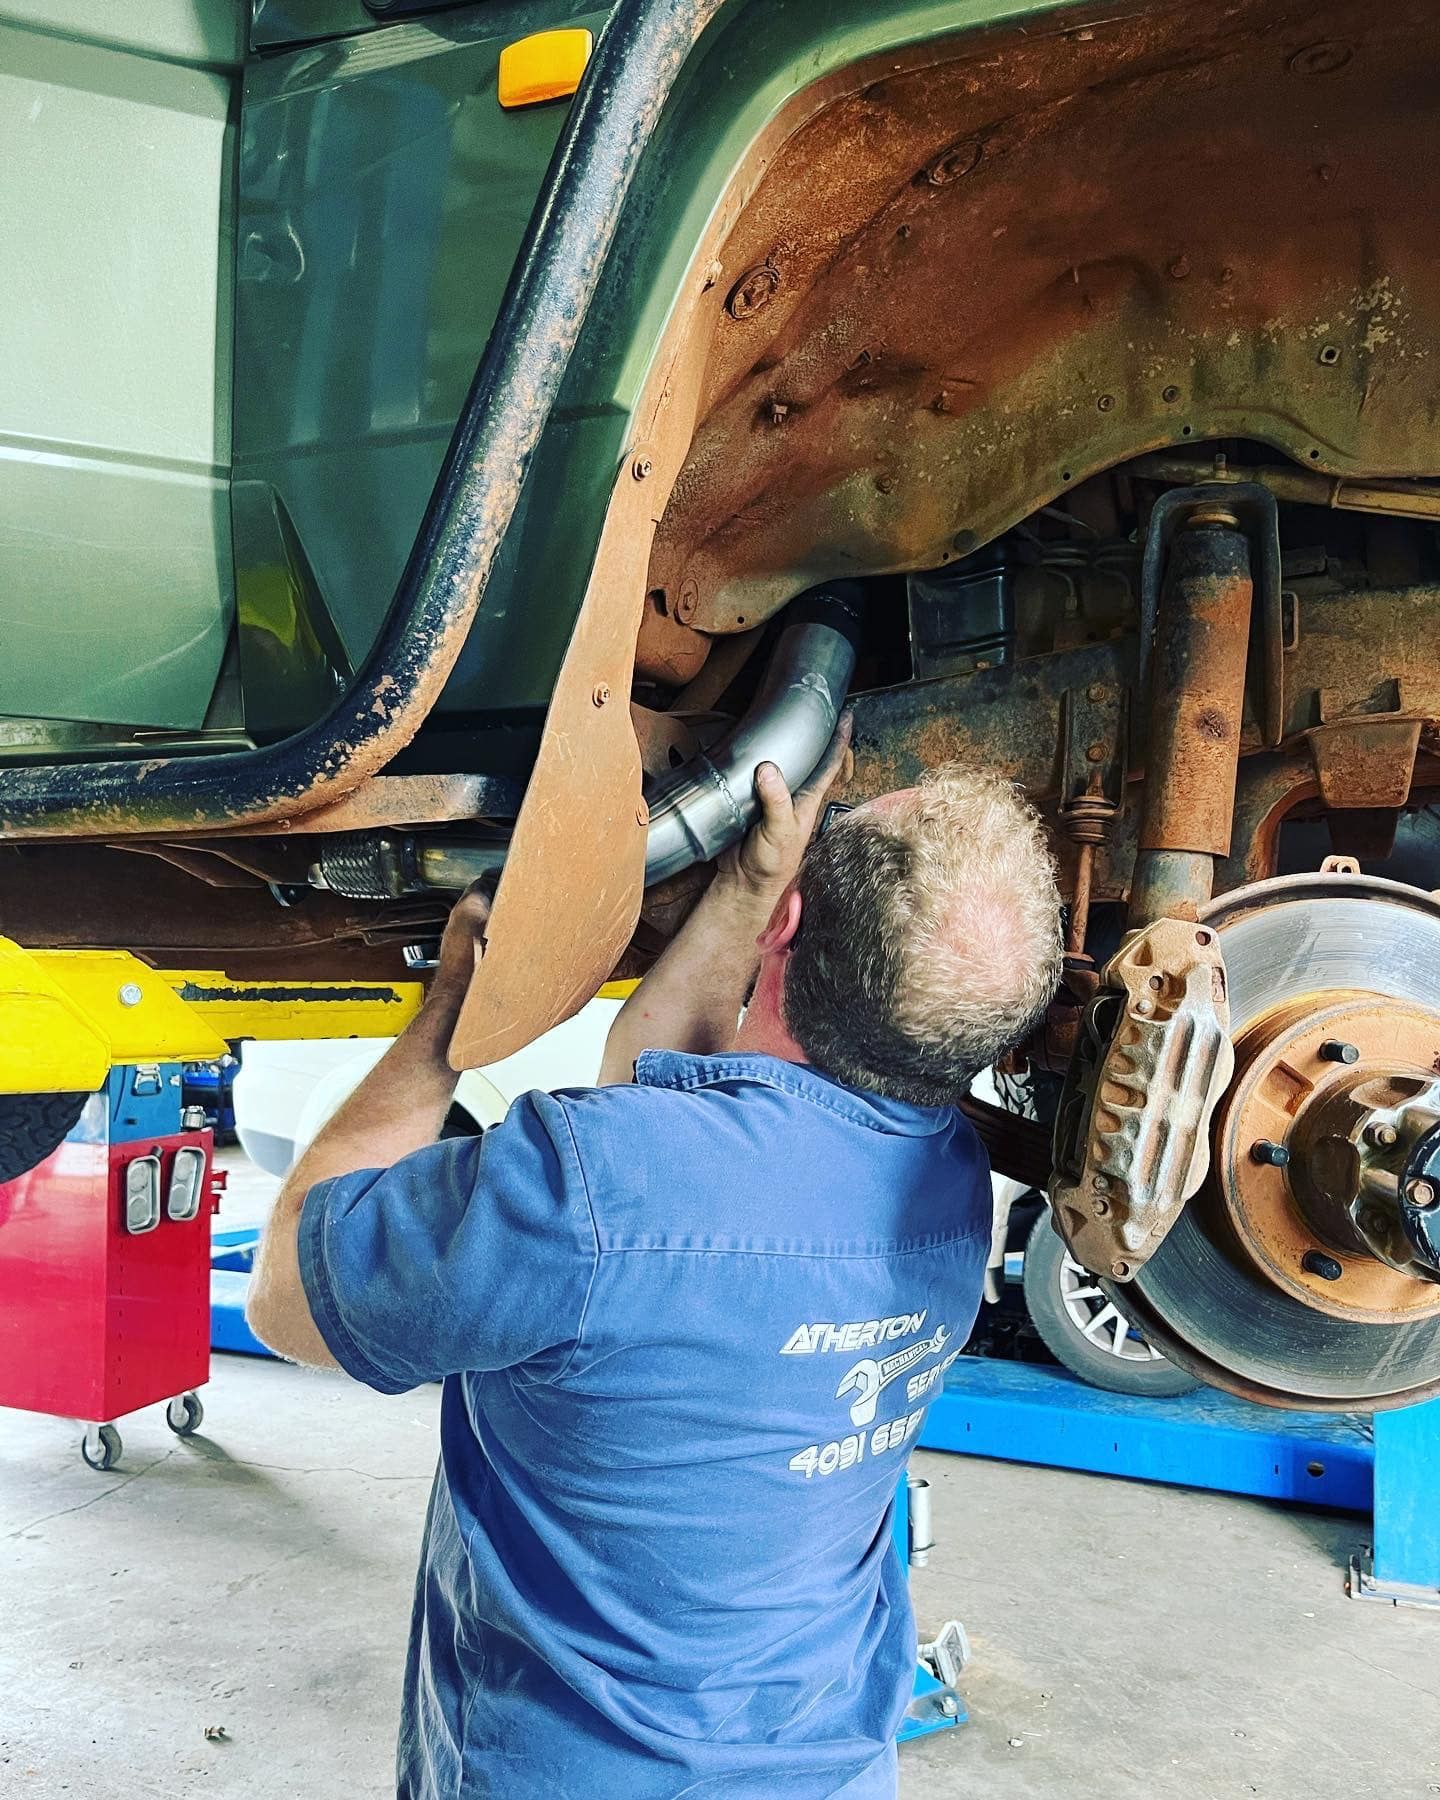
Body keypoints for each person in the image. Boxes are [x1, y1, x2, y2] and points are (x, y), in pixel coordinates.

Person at [247, 723, 1063, 1799]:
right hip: (824, 1767)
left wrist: (448, 1017)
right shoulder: (950, 1187)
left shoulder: (595, 1185)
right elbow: (664, 1101)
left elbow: (288, 1299)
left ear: (792, 931)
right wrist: (754, 883)